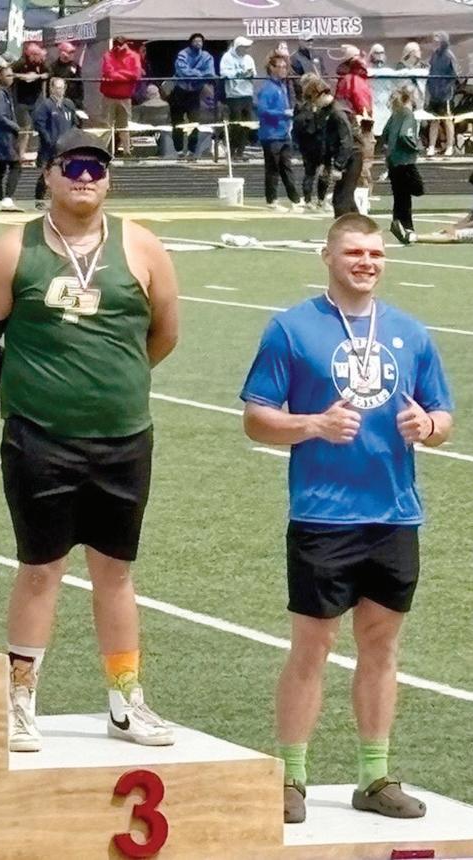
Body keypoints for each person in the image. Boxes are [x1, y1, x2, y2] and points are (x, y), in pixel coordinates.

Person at [0, 127, 179, 753]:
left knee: (116, 572)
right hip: (40, 439)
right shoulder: (13, 250)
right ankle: (19, 700)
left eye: (97, 168)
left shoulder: (142, 246)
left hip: (123, 437)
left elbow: (164, 334)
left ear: (109, 179)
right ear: (49, 174)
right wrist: (34, 388)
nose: (86, 178)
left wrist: (114, 382)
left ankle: (125, 701)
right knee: (40, 570)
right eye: (74, 166)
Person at [240, 212, 453, 825]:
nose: (367, 262)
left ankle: (374, 777)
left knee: (381, 646)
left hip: (395, 515)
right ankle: (291, 776)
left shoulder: (410, 332)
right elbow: (256, 418)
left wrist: (427, 426)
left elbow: (443, 417)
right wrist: (314, 424)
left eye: (376, 253)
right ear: (328, 257)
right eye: (355, 252)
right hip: (323, 515)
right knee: (313, 646)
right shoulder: (291, 328)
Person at [257, 52, 303, 212]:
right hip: (271, 135)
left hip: (283, 134)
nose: (284, 70)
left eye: (285, 67)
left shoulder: (282, 86)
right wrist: (283, 113)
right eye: (280, 67)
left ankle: (295, 199)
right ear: (272, 68)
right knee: (273, 169)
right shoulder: (267, 88)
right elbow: (262, 110)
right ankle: (272, 200)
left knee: (287, 167)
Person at [382, 86, 424, 245]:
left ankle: (400, 223)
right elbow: (405, 135)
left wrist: (389, 149)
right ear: (411, 98)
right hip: (405, 159)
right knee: (416, 189)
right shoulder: (408, 114)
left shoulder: (395, 114)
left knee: (400, 195)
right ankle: (406, 226)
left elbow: (385, 133)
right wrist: (416, 147)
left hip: (393, 160)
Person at [335, 45, 374, 210]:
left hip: (354, 125)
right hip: (359, 126)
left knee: (358, 164)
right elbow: (362, 105)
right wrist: (366, 121)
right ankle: (360, 198)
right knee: (361, 164)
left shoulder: (348, 79)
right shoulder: (354, 80)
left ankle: (358, 197)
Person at [31, 77, 77, 207]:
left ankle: (65, 200)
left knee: (67, 175)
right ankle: (39, 200)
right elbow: (39, 124)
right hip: (50, 148)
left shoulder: (68, 104)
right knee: (47, 173)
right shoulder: (45, 105)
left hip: (66, 147)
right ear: (51, 89)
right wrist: (48, 140)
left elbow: (74, 123)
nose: (59, 91)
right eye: (57, 88)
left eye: (61, 88)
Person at [170, 33, 215, 158]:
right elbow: (182, 71)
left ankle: (192, 150)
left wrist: (194, 74)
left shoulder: (207, 56)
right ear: (191, 43)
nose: (198, 43)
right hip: (180, 92)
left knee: (195, 122)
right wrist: (199, 74)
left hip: (195, 93)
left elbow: (210, 73)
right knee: (177, 122)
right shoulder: (182, 54)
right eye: (196, 41)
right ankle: (179, 150)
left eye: (200, 41)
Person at [321, 86, 363, 217]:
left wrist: (338, 166)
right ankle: (359, 226)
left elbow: (346, 142)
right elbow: (328, 140)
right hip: (350, 155)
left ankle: (349, 227)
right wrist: (326, 164)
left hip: (352, 156)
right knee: (343, 198)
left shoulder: (337, 113)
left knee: (342, 199)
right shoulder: (328, 112)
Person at [0, 64, 21, 212]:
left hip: (1, 135)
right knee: (15, 165)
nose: (11, 78)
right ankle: (6, 199)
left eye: (12, 75)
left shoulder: (2, 92)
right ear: (0, 77)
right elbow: (1, 116)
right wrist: (15, 126)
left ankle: (0, 199)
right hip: (3, 136)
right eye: (8, 75)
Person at [100, 36, 142, 157]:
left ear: (126, 44)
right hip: (109, 96)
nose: (118, 46)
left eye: (120, 44)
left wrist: (118, 74)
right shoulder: (108, 55)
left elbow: (136, 75)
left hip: (125, 96)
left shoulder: (134, 56)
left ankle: (127, 152)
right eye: (116, 44)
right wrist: (126, 76)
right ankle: (102, 151)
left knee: (124, 126)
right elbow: (109, 73)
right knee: (106, 126)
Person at [294, 75, 330, 210]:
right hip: (320, 143)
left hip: (306, 145)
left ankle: (308, 200)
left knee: (309, 172)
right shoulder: (321, 106)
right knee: (323, 172)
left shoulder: (300, 106)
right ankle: (320, 200)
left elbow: (296, 127)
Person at [220, 36, 256, 160]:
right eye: (244, 47)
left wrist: (249, 74)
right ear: (238, 47)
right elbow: (224, 73)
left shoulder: (249, 59)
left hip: (247, 94)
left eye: (247, 47)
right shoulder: (227, 57)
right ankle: (231, 150)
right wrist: (239, 74)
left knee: (247, 124)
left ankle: (240, 151)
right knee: (236, 124)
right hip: (234, 96)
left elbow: (254, 73)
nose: (246, 50)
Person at [11, 42, 48, 158]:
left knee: (38, 126)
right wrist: (22, 76)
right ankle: (20, 155)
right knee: (25, 128)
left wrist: (38, 76)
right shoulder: (21, 63)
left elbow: (49, 73)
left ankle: (38, 153)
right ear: (31, 55)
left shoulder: (40, 63)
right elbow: (9, 73)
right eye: (36, 55)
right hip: (21, 101)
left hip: (36, 101)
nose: (38, 58)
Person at [426, 32, 458, 157]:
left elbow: (454, 75)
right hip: (434, 93)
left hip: (445, 94)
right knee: (434, 120)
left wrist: (446, 88)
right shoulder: (434, 55)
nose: (435, 43)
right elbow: (430, 71)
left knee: (447, 119)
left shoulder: (449, 56)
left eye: (437, 41)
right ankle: (431, 146)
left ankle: (450, 146)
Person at [136, 84, 176, 157]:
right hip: (163, 128)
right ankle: (162, 153)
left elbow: (140, 120)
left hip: (147, 129)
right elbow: (168, 119)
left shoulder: (143, 106)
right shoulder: (166, 105)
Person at [49, 42, 83, 107]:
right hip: (59, 100)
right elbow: (51, 85)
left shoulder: (75, 65)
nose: (72, 54)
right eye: (70, 52)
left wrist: (79, 100)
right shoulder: (54, 67)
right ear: (62, 53)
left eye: (73, 52)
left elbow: (80, 84)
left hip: (74, 101)